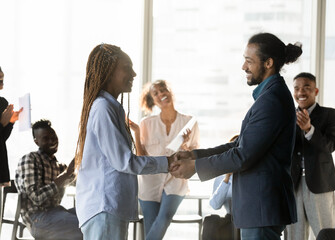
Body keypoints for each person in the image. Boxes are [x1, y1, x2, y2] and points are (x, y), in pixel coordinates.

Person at [170, 32, 303, 240]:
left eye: (249, 61)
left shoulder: (271, 100)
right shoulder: (269, 96)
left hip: (261, 208)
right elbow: (239, 145)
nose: (244, 67)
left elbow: (243, 155)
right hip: (259, 209)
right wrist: (195, 156)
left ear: (268, 63)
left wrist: (195, 168)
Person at [74, 44, 175, 240]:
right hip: (104, 209)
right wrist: (168, 163)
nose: (134, 73)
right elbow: (125, 162)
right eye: (127, 68)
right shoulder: (103, 108)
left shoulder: (110, 107)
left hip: (109, 209)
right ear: (109, 71)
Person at [129, 80, 200, 240]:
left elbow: (196, 154)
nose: (161, 94)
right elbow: (141, 158)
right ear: (152, 100)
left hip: (177, 180)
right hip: (149, 183)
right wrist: (137, 133)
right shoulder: (146, 123)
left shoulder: (189, 121)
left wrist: (185, 145)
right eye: (156, 93)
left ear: (170, 91)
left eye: (163, 90)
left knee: (164, 218)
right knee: (152, 227)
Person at [286, 72, 335, 240]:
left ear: (316, 91)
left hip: (320, 184)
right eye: (296, 88)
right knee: (294, 235)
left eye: (306, 88)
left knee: (324, 233)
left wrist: (310, 130)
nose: (301, 92)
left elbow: (331, 146)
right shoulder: (286, 116)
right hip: (292, 185)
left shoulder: (329, 114)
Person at [14, 119, 82, 239]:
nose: (52, 140)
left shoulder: (58, 166)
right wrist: (66, 175)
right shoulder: (30, 159)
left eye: (53, 136)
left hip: (57, 212)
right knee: (86, 225)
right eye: (46, 138)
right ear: (36, 142)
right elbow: (37, 197)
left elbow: (80, 183)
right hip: (37, 219)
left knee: (95, 216)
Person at [0, 66, 22, 187]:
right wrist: (2, 123)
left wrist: (10, 122)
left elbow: (2, 138)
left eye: (2, 81)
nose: (2, 86)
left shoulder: (2, 103)